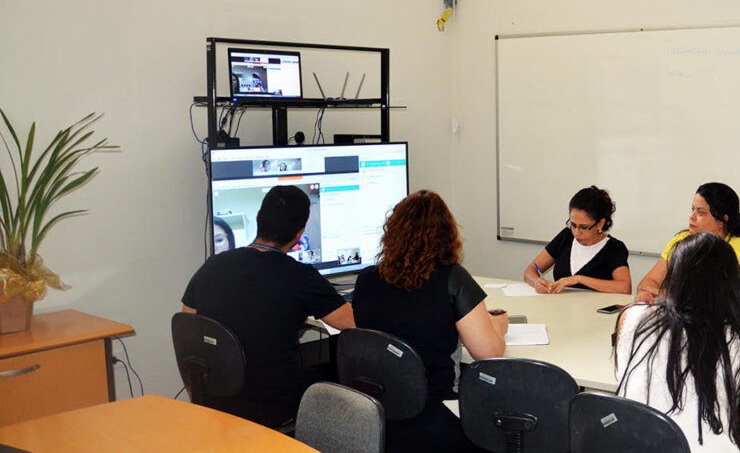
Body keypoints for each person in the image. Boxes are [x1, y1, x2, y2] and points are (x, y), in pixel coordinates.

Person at [181, 185, 355, 428]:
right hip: (273, 406)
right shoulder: (300, 276)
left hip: (216, 401)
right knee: (338, 374)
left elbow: (187, 329)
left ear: (258, 220)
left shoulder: (212, 266)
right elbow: (354, 325)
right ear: (299, 234)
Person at [352, 190, 507, 453]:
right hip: (437, 415)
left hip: (378, 411)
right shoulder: (452, 278)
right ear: (447, 236)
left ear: (392, 232)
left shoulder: (366, 280)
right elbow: (488, 352)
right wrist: (498, 327)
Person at [615, 232, 740, 451]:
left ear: (674, 277)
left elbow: (623, 375)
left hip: (632, 443)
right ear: (730, 283)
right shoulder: (738, 337)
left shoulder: (632, 317)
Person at [635, 182, 740, 304]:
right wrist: (646, 293)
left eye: (701, 212)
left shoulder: (738, 247)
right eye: (692, 209)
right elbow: (648, 282)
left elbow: (732, 298)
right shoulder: (682, 239)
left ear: (721, 220)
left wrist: (669, 295)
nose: (691, 216)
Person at [523, 186, 631, 294]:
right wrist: (536, 281)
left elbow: (624, 288)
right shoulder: (566, 236)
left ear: (600, 224)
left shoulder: (614, 248)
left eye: (583, 227)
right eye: (573, 225)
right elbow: (531, 270)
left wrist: (579, 279)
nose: (576, 232)